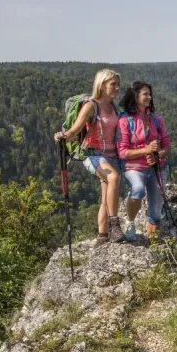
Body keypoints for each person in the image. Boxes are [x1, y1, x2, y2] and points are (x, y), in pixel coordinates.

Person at [54, 69, 125, 243]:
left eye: (118, 84)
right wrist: (63, 136)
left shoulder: (114, 107)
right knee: (113, 178)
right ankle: (115, 226)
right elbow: (74, 130)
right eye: (113, 84)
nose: (117, 88)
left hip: (112, 156)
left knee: (106, 197)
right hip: (93, 155)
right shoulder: (91, 106)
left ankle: (102, 235)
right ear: (102, 85)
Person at [116, 80, 172, 240]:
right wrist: (146, 150)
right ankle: (130, 222)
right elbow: (123, 153)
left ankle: (152, 243)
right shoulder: (125, 121)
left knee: (155, 210)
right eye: (145, 94)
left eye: (150, 94)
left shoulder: (156, 119)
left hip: (156, 168)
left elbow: (167, 146)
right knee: (138, 189)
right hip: (134, 167)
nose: (149, 97)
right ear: (135, 96)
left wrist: (158, 155)